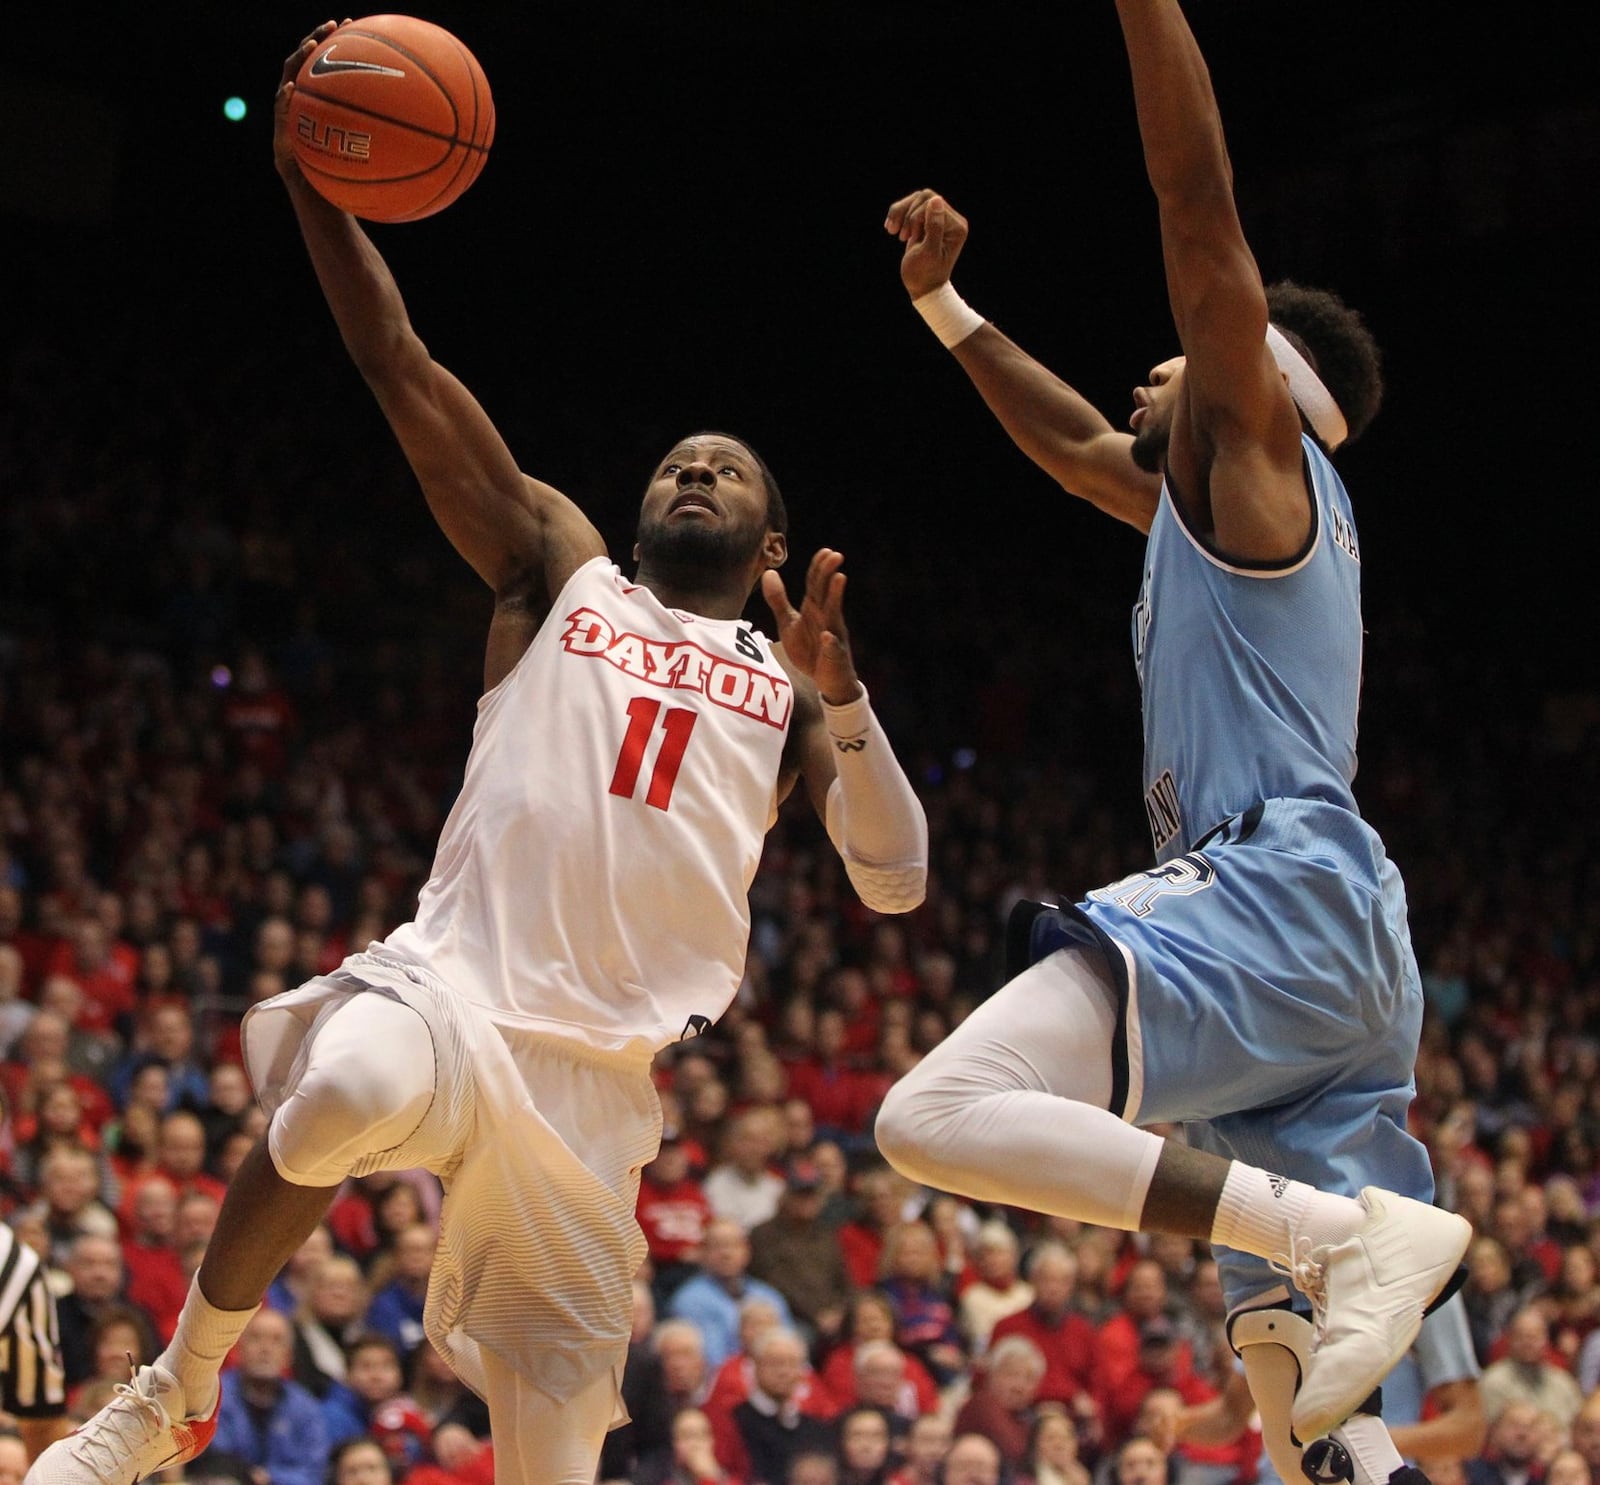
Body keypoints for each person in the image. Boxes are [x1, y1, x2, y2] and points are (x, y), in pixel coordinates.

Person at [27, 20, 926, 1485]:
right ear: (639, 512)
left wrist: (850, 704)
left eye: (728, 467)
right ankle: (175, 1391)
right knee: (338, 1090)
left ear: (771, 540)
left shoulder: (792, 681)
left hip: (597, 1087)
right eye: (673, 459)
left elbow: (893, 884)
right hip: (456, 988)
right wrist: (313, 184)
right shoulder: (558, 572)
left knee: (550, 1460)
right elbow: (399, 362)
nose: (691, 466)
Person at [871, 0, 1470, 1469]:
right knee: (1297, 1387)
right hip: (1337, 953)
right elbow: (1082, 454)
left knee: (934, 1113)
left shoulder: (1257, 458)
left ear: (1253, 370)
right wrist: (948, 310)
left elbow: (1195, 202)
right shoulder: (1218, 517)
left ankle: (1350, 1225)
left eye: (1177, 355)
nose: (1147, 372)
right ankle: (1347, 1321)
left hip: (1279, 886)